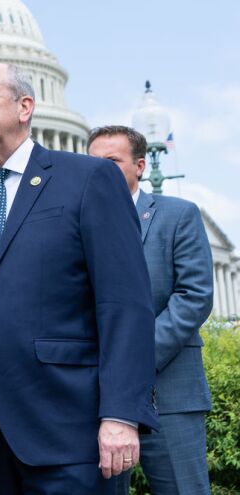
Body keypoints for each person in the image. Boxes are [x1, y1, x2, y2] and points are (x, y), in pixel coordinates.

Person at [0, 63, 159, 494]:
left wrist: (122, 414)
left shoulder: (88, 179)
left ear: (25, 106)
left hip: (71, 434)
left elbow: (124, 304)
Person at [88, 125, 214, 495]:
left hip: (170, 396)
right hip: (98, 401)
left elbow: (194, 297)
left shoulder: (179, 215)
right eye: (93, 164)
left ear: (141, 166)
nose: (100, 171)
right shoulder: (76, 225)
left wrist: (133, 358)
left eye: (111, 161)